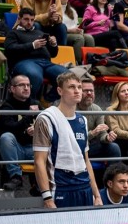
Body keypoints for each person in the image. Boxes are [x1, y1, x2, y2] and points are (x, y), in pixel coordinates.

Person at [33, 72, 103, 208]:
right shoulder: (46, 118)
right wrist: (47, 197)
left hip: (84, 187)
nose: (77, 91)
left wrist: (97, 195)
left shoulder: (82, 120)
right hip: (61, 187)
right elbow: (39, 161)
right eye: (71, 87)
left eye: (79, 87)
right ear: (60, 90)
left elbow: (86, 160)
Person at [4, 7, 67, 101]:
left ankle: (46, 100)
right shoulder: (13, 33)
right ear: (19, 19)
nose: (29, 22)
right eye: (26, 19)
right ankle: (31, 104)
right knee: (34, 75)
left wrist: (53, 45)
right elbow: (10, 49)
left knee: (67, 77)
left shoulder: (39, 32)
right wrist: (32, 45)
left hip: (46, 63)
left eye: (32, 20)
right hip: (24, 62)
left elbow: (53, 54)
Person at [0, 74, 39, 191]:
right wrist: (27, 121)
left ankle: (38, 183)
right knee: (6, 137)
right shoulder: (6, 107)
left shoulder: (35, 104)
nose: (26, 88)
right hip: (17, 150)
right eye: (21, 85)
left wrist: (37, 130)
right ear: (12, 89)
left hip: (34, 149)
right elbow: (9, 128)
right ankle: (16, 177)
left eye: (28, 85)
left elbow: (49, 125)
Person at [77, 78, 121, 164]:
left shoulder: (97, 109)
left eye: (91, 91)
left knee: (114, 147)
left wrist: (107, 137)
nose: (89, 93)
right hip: (75, 148)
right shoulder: (71, 109)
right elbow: (75, 138)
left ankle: (113, 176)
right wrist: (92, 133)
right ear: (78, 92)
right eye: (85, 91)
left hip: (90, 147)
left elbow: (102, 134)